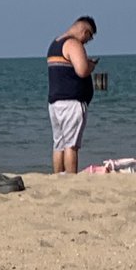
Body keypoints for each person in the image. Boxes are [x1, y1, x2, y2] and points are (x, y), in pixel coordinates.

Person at [47, 15, 98, 174]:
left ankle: (57, 176)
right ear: (85, 31)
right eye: (88, 38)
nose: (86, 42)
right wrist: (91, 65)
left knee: (59, 144)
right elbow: (82, 70)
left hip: (56, 102)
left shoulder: (55, 44)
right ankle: (70, 178)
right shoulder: (73, 44)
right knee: (71, 146)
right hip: (71, 102)